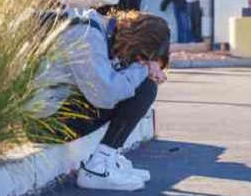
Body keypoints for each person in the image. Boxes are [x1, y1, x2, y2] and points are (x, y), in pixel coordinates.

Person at [33, 10, 169, 191]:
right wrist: (142, 69)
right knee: (144, 87)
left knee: (139, 84)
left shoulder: (99, 32)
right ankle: (97, 168)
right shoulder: (86, 34)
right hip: (44, 125)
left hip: (51, 116)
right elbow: (105, 94)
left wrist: (142, 67)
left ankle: (108, 158)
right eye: (142, 58)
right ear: (138, 44)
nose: (139, 62)